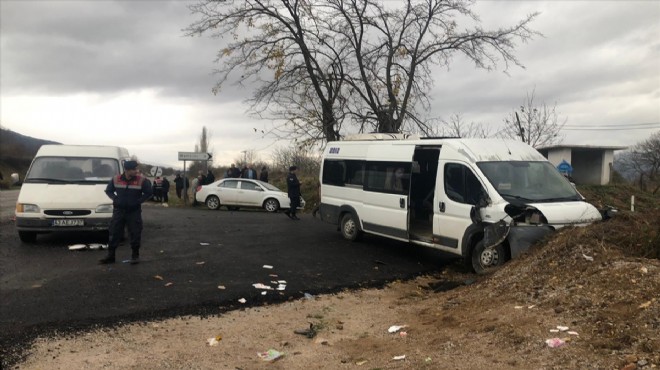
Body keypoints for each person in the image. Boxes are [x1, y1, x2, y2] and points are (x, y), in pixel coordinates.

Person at [99, 160, 153, 265]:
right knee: (114, 232)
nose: (136, 171)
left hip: (133, 212)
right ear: (127, 170)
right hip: (119, 211)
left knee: (135, 232)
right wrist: (115, 199)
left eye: (136, 169)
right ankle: (111, 256)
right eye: (134, 169)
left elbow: (149, 193)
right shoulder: (116, 179)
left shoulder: (141, 180)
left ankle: (135, 255)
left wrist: (138, 202)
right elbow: (108, 190)